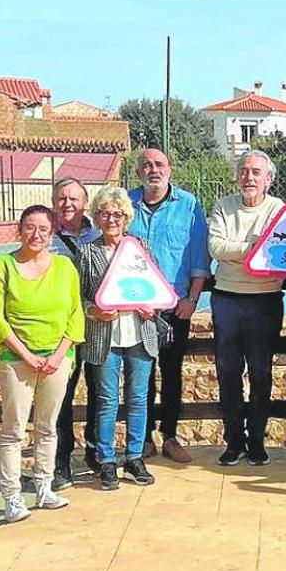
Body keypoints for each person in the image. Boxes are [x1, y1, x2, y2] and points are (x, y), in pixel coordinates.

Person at [0, 205, 85, 523]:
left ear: (52, 233)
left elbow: (75, 314)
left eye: (43, 228)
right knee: (13, 430)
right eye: (30, 227)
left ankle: (44, 487)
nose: (36, 234)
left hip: (57, 360)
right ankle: (12, 497)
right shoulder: (4, 265)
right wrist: (27, 355)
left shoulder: (65, 267)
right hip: (17, 360)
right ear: (19, 230)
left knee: (47, 427)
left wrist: (57, 356)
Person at [75, 187, 161, 490]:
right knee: (107, 401)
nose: (111, 219)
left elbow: (155, 288)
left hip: (139, 334)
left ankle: (135, 458)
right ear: (96, 217)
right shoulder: (86, 252)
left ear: (127, 217)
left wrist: (153, 307)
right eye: (104, 213)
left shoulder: (141, 247)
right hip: (104, 338)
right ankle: (107, 460)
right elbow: (78, 298)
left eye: (118, 213)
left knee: (138, 400)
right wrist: (94, 310)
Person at [127, 148, 209, 464]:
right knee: (139, 375)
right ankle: (143, 438)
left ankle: (170, 436)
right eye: (146, 165)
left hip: (176, 309)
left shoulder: (189, 206)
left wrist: (192, 300)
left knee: (172, 373)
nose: (153, 170)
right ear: (138, 172)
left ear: (170, 170)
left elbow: (199, 257)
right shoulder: (126, 205)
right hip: (135, 308)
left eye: (159, 164)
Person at [208, 150, 285, 466]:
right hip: (226, 297)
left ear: (269, 179)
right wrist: (254, 249)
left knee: (261, 373)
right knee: (227, 373)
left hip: (265, 300)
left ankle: (256, 441)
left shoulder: (279, 210)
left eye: (256, 172)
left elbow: (279, 251)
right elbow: (215, 247)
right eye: (244, 170)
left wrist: (236, 253)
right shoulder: (223, 206)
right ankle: (233, 441)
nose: (249, 177)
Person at [50, 177, 102, 490]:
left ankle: (95, 451)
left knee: (100, 391)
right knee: (61, 396)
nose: (67, 204)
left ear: (85, 202)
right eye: (61, 199)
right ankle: (61, 460)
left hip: (95, 327)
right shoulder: (45, 236)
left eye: (73, 198)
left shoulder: (100, 232)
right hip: (60, 331)